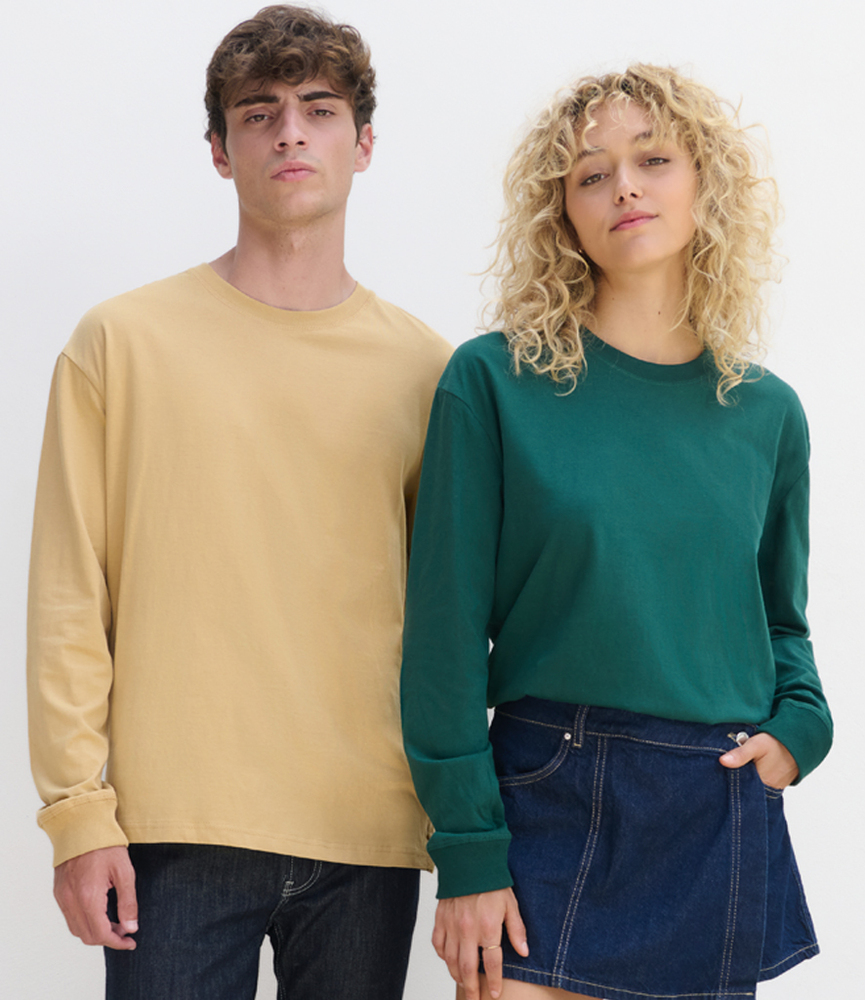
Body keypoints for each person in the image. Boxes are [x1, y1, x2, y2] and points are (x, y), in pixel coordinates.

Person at [27, 6, 451, 998]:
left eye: (319, 109)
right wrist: (78, 814)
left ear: (364, 143)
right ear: (220, 152)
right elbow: (68, 595)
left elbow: (451, 617)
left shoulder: (428, 370)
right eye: (259, 114)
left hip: (366, 830)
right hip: (171, 829)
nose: (290, 133)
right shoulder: (121, 343)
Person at [400, 65, 831, 1000]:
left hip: (712, 799)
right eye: (591, 174)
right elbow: (441, 640)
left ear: (706, 183)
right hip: (547, 788)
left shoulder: (766, 413)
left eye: (653, 159)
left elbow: (779, 621)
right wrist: (466, 850)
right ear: (561, 212)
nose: (624, 187)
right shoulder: (493, 382)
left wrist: (802, 726)